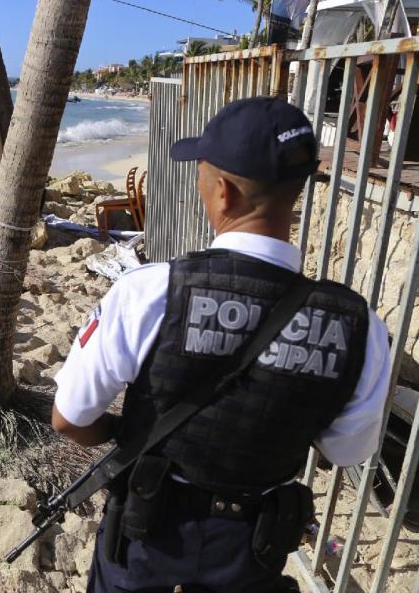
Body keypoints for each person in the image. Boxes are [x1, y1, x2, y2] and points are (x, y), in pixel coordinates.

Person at [52, 98, 392, 592]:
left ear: (224, 193)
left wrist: (131, 433)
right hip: (253, 548)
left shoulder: (149, 292)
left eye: (202, 175)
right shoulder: (358, 323)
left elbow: (70, 418)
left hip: (146, 535)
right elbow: (347, 449)